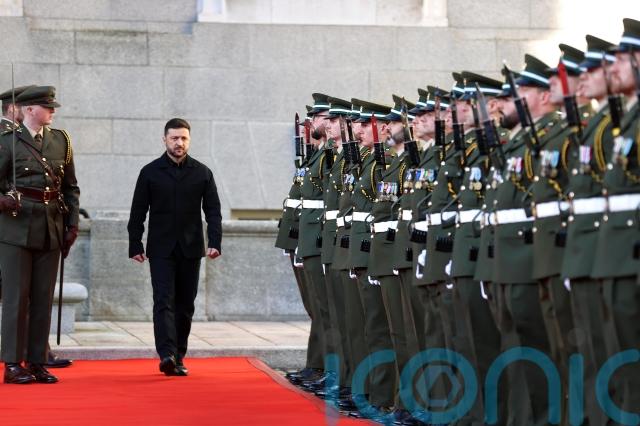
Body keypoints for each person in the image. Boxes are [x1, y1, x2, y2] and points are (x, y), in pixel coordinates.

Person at [127, 118, 222, 376]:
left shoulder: (202, 173)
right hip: (160, 249)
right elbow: (138, 211)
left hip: (191, 248)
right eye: (174, 138)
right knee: (163, 300)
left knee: (185, 304)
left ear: (189, 140)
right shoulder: (150, 172)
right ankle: (166, 354)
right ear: (165, 140)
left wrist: (215, 242)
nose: (179, 143)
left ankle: (179, 356)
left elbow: (213, 211)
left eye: (183, 138)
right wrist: (135, 243)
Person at [0, 85, 80, 384]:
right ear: (29, 109)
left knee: (43, 297)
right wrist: (3, 201)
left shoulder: (61, 141)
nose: (53, 111)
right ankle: (12, 363)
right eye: (47, 107)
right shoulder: (7, 142)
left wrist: (72, 225)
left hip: (51, 226)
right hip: (16, 227)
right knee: (16, 298)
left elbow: (70, 188)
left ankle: (36, 361)